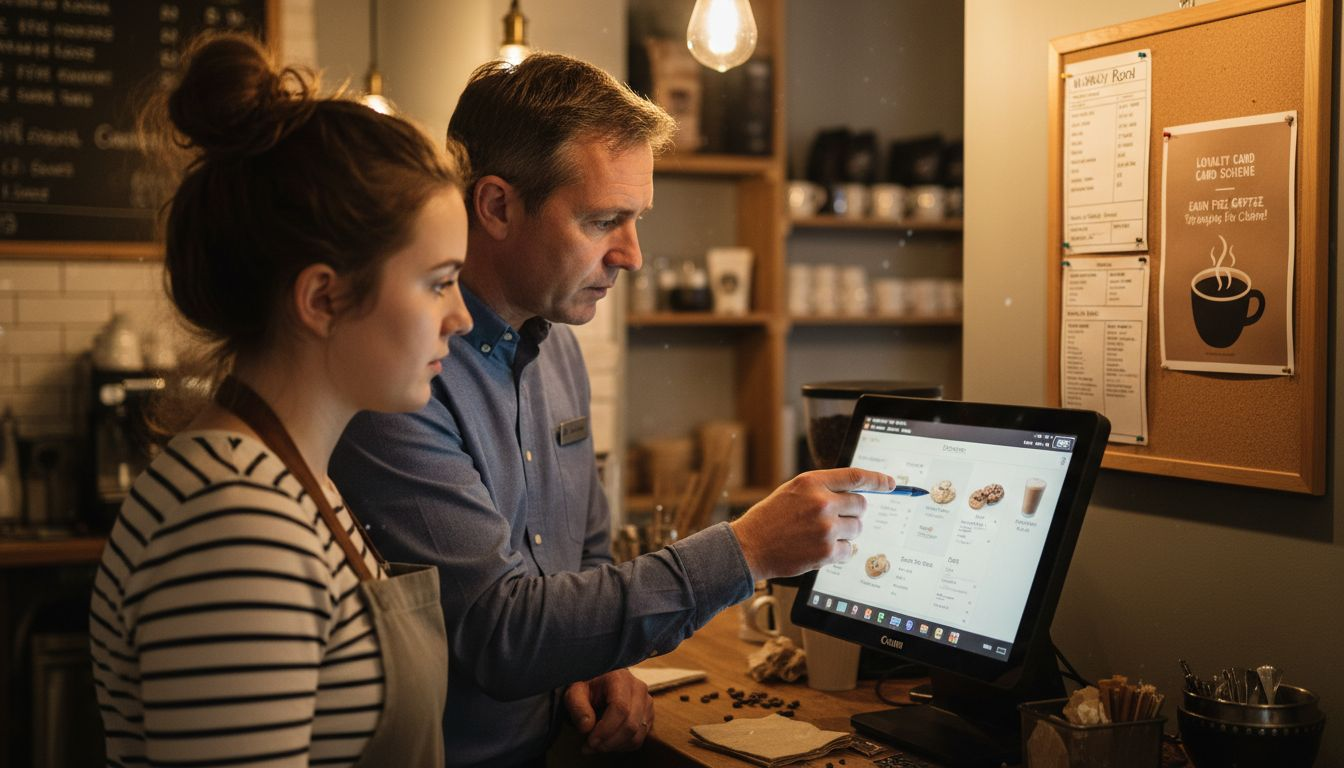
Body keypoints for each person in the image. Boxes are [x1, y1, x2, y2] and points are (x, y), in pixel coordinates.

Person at [330, 53, 893, 767]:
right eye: (603, 221)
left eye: (636, 220)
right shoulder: (401, 376)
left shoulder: (560, 349)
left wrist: (597, 658)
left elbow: (586, 554)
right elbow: (499, 634)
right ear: (497, 207)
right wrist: (747, 550)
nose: (631, 255)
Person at [88, 33, 471, 767]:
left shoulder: (291, 481)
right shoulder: (234, 522)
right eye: (438, 282)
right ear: (323, 298)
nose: (460, 317)